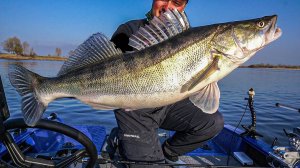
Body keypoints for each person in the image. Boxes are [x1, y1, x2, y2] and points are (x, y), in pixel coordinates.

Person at [110, 0, 224, 167]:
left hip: (169, 104)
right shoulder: (129, 31)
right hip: (136, 111)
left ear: (184, 7)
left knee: (213, 122)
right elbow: (109, 70)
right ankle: (125, 142)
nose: (168, 6)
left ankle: (168, 151)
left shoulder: (191, 37)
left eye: (177, 2)